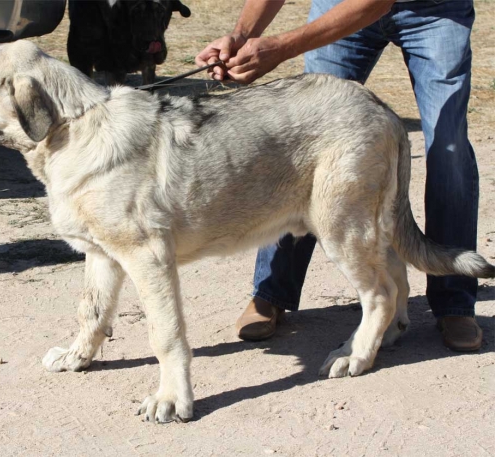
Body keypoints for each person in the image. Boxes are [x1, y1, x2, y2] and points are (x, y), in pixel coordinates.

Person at [196, 0, 483, 351]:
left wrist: (280, 48)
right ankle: (272, 293)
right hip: (339, 4)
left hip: (435, 10)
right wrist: (242, 35)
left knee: (447, 147)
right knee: (301, 133)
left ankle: (454, 303)